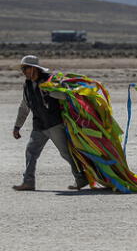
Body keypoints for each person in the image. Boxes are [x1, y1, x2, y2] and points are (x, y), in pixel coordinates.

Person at [12, 55, 88, 191]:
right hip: (39, 125)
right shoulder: (27, 85)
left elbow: (66, 96)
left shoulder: (50, 81)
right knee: (31, 151)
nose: (23, 72)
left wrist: (51, 92)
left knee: (65, 153)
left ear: (33, 69)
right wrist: (17, 126)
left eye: (25, 68)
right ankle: (28, 182)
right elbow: (24, 106)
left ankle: (81, 178)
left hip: (54, 124)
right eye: (23, 69)